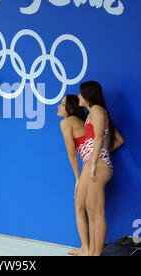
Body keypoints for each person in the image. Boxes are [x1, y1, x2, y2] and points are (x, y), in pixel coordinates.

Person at [77, 81, 124, 256]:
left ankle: (96, 254)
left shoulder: (96, 110)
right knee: (91, 209)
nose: (79, 97)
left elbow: (98, 138)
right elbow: (119, 140)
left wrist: (94, 162)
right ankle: (92, 253)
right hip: (96, 164)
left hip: (98, 166)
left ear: (88, 95)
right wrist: (101, 154)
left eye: (81, 94)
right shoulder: (97, 113)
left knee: (96, 212)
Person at [58, 94, 87, 256]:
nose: (58, 107)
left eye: (62, 104)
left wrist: (78, 178)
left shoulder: (66, 122)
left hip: (88, 169)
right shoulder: (82, 122)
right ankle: (89, 248)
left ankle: (86, 248)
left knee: (80, 208)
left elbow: (71, 153)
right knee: (89, 209)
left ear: (70, 108)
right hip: (95, 166)